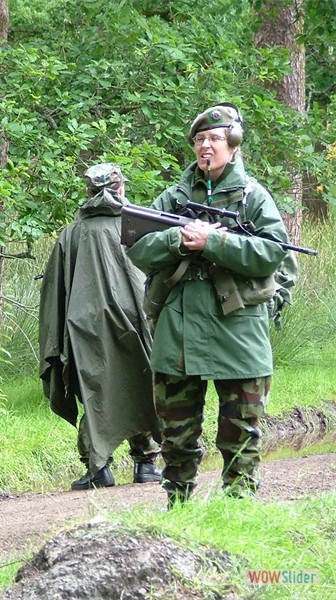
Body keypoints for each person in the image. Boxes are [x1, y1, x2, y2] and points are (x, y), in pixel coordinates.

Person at [125, 103, 296, 507]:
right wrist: (178, 239)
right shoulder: (173, 196)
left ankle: (238, 509)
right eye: (200, 140)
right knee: (176, 431)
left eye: (215, 139)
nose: (206, 147)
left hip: (238, 326)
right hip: (180, 326)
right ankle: (178, 506)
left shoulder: (254, 196)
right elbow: (136, 246)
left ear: (233, 146)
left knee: (242, 429)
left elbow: (273, 252)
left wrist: (215, 242)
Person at [39, 163, 163, 491]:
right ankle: (145, 462)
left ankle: (98, 467)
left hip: (84, 329)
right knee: (139, 383)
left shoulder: (71, 234)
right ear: (121, 189)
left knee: (95, 392)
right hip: (135, 322)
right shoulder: (138, 226)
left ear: (87, 193)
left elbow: (55, 293)